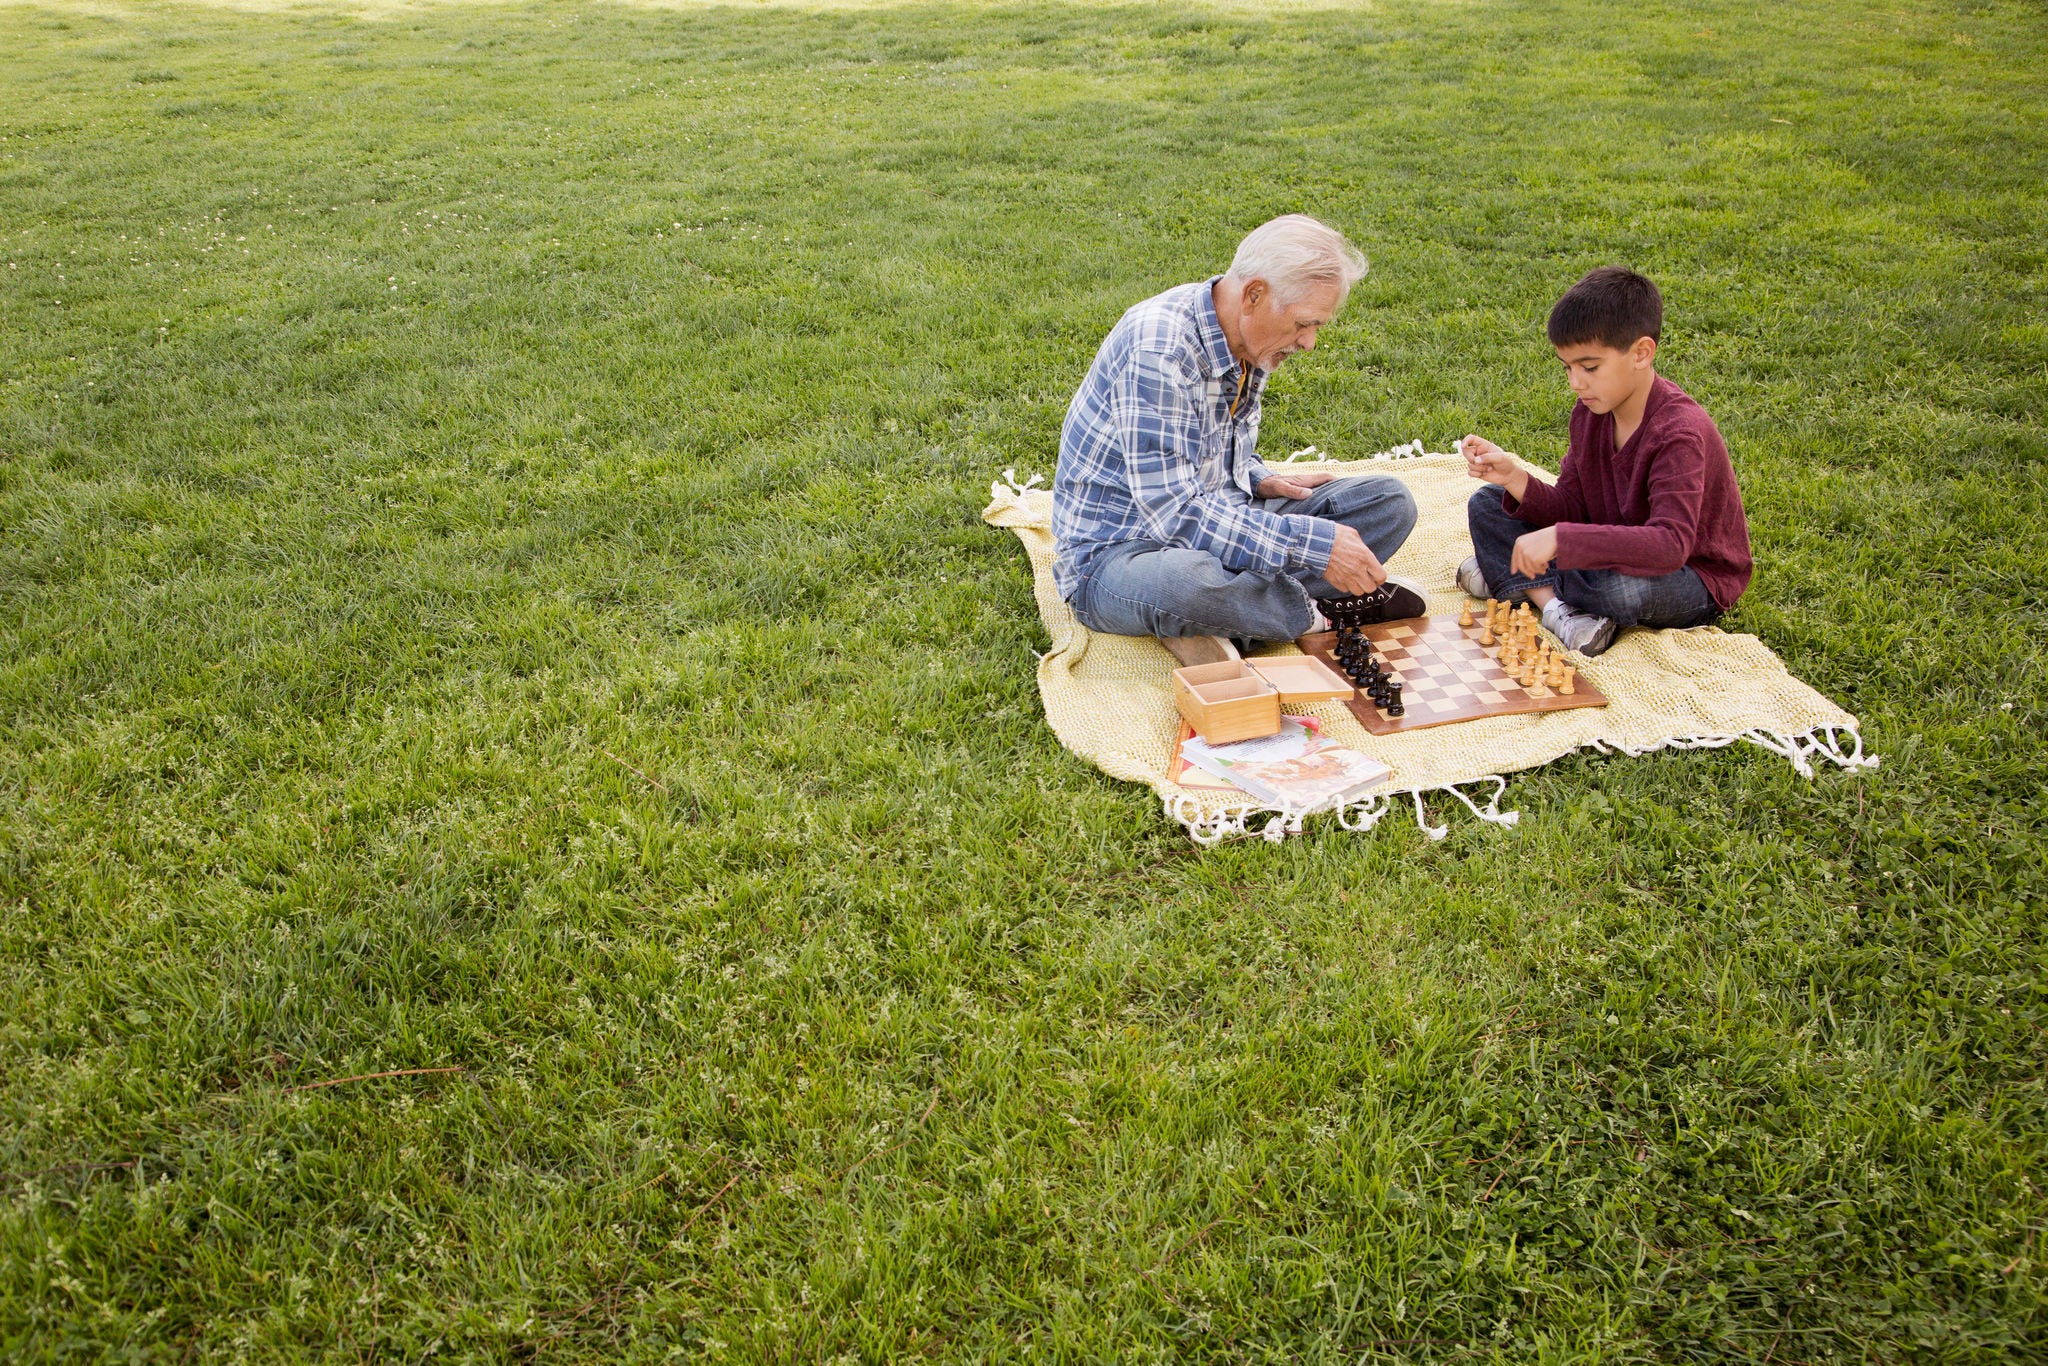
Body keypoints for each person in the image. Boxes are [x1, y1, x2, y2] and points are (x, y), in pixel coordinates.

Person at [1052, 215, 1423, 651]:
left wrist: (1254, 475)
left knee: (1387, 503)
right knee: (1187, 584)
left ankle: (1240, 614)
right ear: (1254, 295)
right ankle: (1316, 613)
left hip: (1220, 512)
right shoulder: (1158, 351)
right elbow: (1173, 514)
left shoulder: (1246, 338)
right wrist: (1313, 547)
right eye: (1305, 323)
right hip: (1123, 554)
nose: (1309, 343)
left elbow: (1210, 442)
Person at [1457, 266, 1752, 657]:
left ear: (1641, 353)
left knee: (1616, 588)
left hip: (1690, 575)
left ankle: (1514, 577)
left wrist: (1563, 540)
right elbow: (1573, 507)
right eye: (1568, 368)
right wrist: (1515, 479)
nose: (1576, 383)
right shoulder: (1589, 413)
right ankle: (1558, 609)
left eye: (1590, 367)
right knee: (1488, 503)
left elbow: (1669, 544)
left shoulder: (1679, 432)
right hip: (1613, 539)